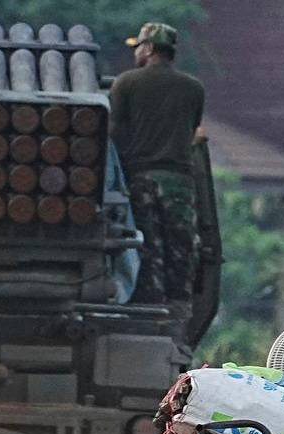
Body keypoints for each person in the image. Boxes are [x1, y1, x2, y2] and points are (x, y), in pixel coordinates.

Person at [112, 22, 205, 305]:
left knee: (147, 246)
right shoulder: (194, 88)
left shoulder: (126, 83)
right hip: (179, 182)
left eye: (139, 46)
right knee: (181, 247)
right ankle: (178, 307)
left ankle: (149, 306)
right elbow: (192, 134)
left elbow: (113, 132)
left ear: (150, 48)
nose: (136, 52)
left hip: (141, 179)